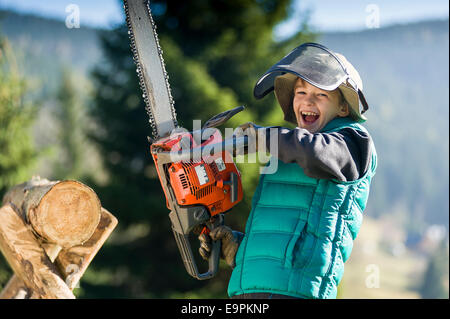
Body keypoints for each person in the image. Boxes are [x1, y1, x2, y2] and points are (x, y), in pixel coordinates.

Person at [198, 42, 377, 299]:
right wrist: (239, 246)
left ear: (343, 108)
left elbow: (315, 152)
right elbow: (280, 229)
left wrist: (262, 138)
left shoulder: (352, 144)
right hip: (250, 289)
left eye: (321, 94)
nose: (307, 100)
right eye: (300, 92)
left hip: (299, 291)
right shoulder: (288, 151)